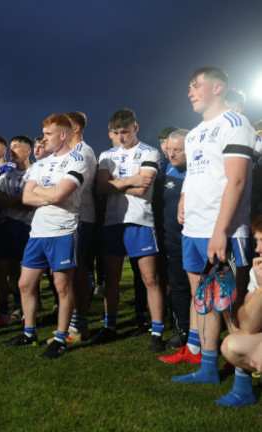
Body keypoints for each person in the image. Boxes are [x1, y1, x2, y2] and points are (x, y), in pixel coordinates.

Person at [171, 67, 256, 395]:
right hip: (193, 228)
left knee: (232, 305)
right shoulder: (193, 134)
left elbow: (236, 180)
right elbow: (193, 176)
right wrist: (182, 199)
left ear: (218, 87)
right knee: (202, 298)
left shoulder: (235, 125)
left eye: (196, 86)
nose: (190, 92)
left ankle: (243, 382)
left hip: (224, 231)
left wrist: (221, 231)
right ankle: (207, 367)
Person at [1, 114, 87, 359]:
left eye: (49, 134)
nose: (45, 138)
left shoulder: (77, 160)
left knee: (62, 286)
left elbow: (61, 195)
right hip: (37, 232)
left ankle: (60, 338)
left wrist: (44, 193)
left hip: (63, 230)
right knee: (25, 284)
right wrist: (49, 194)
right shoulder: (40, 164)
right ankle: (29, 334)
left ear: (63, 135)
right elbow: (27, 199)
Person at [94, 108, 165, 352]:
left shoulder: (149, 151)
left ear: (135, 128)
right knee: (111, 279)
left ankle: (157, 331)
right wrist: (129, 181)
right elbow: (101, 187)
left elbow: (143, 187)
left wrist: (114, 183)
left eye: (125, 132)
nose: (121, 137)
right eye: (117, 133)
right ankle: (109, 327)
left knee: (149, 278)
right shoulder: (106, 155)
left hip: (140, 220)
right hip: (113, 222)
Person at [0, 135, 34, 329]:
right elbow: (0, 200)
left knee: (28, 273)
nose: (12, 151)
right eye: (12, 147)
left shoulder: (36, 173)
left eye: (17, 147)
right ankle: (5, 313)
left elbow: (31, 203)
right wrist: (20, 201)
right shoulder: (5, 176)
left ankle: (26, 312)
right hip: (5, 226)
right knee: (1, 271)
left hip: (28, 228)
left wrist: (17, 201)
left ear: (28, 151)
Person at [155, 130, 193, 352]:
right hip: (173, 240)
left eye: (177, 150)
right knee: (178, 286)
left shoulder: (201, 170)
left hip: (199, 238)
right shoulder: (165, 169)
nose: (171, 154)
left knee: (206, 287)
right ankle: (182, 330)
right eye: (169, 149)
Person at [219, 215, 262, 406]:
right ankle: (243, 390)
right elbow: (247, 324)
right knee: (232, 345)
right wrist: (260, 289)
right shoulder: (258, 271)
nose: (258, 249)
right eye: (257, 241)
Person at [65, 111, 97, 342]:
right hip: (74, 217)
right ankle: (76, 323)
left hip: (81, 217)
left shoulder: (83, 152)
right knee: (75, 269)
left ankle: (79, 325)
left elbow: (72, 188)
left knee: (77, 269)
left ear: (75, 129)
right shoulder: (70, 152)